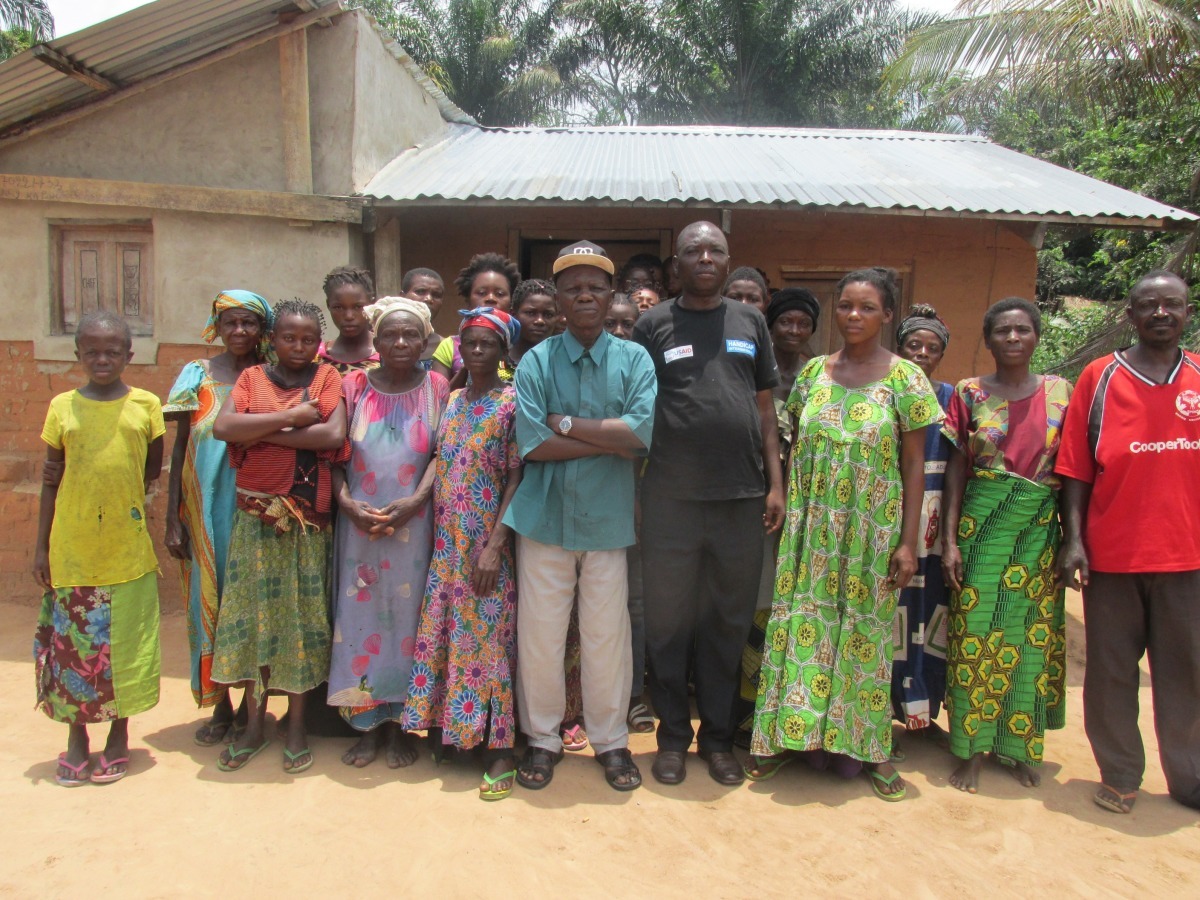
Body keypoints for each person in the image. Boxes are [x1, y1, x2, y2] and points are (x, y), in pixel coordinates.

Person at [747, 268, 940, 801]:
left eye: (867, 308)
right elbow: (788, 442)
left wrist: (908, 543)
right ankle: (786, 736)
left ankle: (867, 748)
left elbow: (916, 465)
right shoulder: (812, 373)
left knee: (864, 636)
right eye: (846, 306)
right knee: (800, 624)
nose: (854, 316)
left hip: (870, 533)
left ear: (888, 315)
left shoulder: (907, 380)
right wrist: (780, 491)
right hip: (811, 529)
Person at [633, 221, 783, 787]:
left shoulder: (750, 321)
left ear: (728, 260)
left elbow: (764, 410)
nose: (703, 257)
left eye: (714, 250)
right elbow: (636, 411)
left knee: (726, 623)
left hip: (741, 500)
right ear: (677, 263)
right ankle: (672, 737)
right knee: (668, 625)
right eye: (692, 250)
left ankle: (718, 739)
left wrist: (776, 484)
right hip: (669, 498)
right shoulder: (653, 325)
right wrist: (637, 494)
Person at [507, 240, 657, 793]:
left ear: (612, 294)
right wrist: (606, 438)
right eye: (574, 289)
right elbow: (531, 444)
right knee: (541, 637)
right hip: (544, 518)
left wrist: (565, 424)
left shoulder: (634, 359)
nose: (585, 296)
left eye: (596, 286)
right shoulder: (537, 361)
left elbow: (640, 436)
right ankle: (543, 740)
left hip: (608, 519)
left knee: (606, 636)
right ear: (560, 298)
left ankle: (611, 741)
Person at [1056, 270, 1200, 814]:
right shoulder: (1100, 377)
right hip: (1113, 555)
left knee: (1186, 672)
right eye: (1149, 305)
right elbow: (1075, 466)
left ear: (1186, 312)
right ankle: (1119, 773)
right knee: (1112, 672)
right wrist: (1075, 541)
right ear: (1130, 315)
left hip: (1189, 557)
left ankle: (1189, 779)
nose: (1161, 313)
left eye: (1172, 304)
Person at [210, 300, 351, 774]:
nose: (298, 345)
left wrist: (260, 433)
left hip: (307, 525)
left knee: (301, 626)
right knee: (255, 623)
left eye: (308, 338)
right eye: (289, 337)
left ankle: (295, 727)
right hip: (256, 520)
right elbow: (224, 427)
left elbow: (331, 437)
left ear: (319, 341)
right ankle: (254, 724)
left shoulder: (328, 379)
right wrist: (294, 418)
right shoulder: (251, 380)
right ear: (272, 339)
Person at [940, 297, 1072, 795]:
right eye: (1003, 331)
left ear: (1036, 335)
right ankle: (972, 748)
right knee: (976, 635)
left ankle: (1017, 747)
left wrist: (1071, 540)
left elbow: (1074, 470)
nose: (1013, 338)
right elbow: (957, 468)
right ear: (989, 339)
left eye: (1022, 330)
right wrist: (949, 541)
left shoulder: (1062, 392)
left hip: (1038, 530)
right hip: (983, 527)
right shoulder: (970, 393)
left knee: (1028, 636)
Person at [33, 310, 166, 786]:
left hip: (127, 551)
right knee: (75, 649)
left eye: (113, 351)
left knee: (126, 649)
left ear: (129, 355)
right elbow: (51, 481)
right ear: (78, 356)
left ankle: (118, 736)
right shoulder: (61, 407)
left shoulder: (147, 406)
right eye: (92, 351)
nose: (102, 359)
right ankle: (76, 738)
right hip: (73, 550)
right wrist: (41, 549)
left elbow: (151, 469)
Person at [401, 308, 524, 801]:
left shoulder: (512, 402)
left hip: (486, 545)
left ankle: (499, 749)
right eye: (469, 343)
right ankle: (459, 734)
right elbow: (438, 460)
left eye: (487, 344)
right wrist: (414, 501)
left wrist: (495, 544)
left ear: (502, 351)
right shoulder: (451, 400)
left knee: (489, 646)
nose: (476, 351)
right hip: (447, 545)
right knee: (453, 637)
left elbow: (518, 476)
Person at [327, 297, 449, 769]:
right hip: (359, 526)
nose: (401, 342)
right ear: (374, 342)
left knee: (408, 623)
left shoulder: (438, 388)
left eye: (410, 334)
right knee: (358, 623)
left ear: (424, 341)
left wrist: (416, 501)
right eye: (391, 335)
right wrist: (346, 505)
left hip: (415, 528)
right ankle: (367, 726)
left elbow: (444, 452)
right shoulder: (352, 384)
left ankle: (401, 726)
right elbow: (334, 452)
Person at [164, 290, 272, 747]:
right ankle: (220, 705)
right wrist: (173, 517)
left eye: (249, 323)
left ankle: (254, 710)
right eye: (230, 323)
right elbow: (180, 448)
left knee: (250, 608)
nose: (239, 332)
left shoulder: (270, 375)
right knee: (207, 602)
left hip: (252, 509)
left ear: (262, 329)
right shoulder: (197, 375)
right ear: (217, 325)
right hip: (204, 511)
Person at [733, 286, 821, 748]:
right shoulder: (750, 372)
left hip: (806, 508)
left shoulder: (819, 376)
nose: (792, 329)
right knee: (758, 600)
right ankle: (748, 710)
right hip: (755, 501)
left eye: (802, 323)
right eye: (785, 321)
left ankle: (791, 701)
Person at [889, 305, 954, 753]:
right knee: (892, 618)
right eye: (915, 345)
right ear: (900, 348)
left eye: (932, 348)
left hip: (935, 525)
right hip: (895, 521)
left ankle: (922, 716)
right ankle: (880, 713)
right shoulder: (884, 391)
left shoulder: (953, 398)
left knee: (933, 618)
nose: (923, 354)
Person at [602, 298, 653, 734]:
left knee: (635, 603)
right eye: (610, 323)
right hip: (591, 497)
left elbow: (639, 438)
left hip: (639, 495)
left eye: (628, 324)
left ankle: (634, 697)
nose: (619, 331)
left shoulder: (641, 371)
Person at [430, 253, 520, 387]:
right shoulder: (450, 346)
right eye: (481, 293)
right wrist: (468, 366)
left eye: (500, 294)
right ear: (468, 299)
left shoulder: (520, 346)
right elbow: (439, 398)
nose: (491, 298)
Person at [319, 266, 380, 373]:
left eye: (357, 307)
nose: (348, 316)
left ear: (371, 304)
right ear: (328, 305)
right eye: (338, 307)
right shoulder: (317, 358)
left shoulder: (386, 355)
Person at [402, 267, 446, 370]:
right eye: (421, 291)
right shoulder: (381, 344)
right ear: (402, 296)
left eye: (436, 295)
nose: (428, 299)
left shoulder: (447, 348)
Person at [509, 278, 558, 368]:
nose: (540, 321)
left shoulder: (561, 364)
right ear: (513, 314)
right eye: (531, 313)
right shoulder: (496, 364)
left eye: (548, 315)